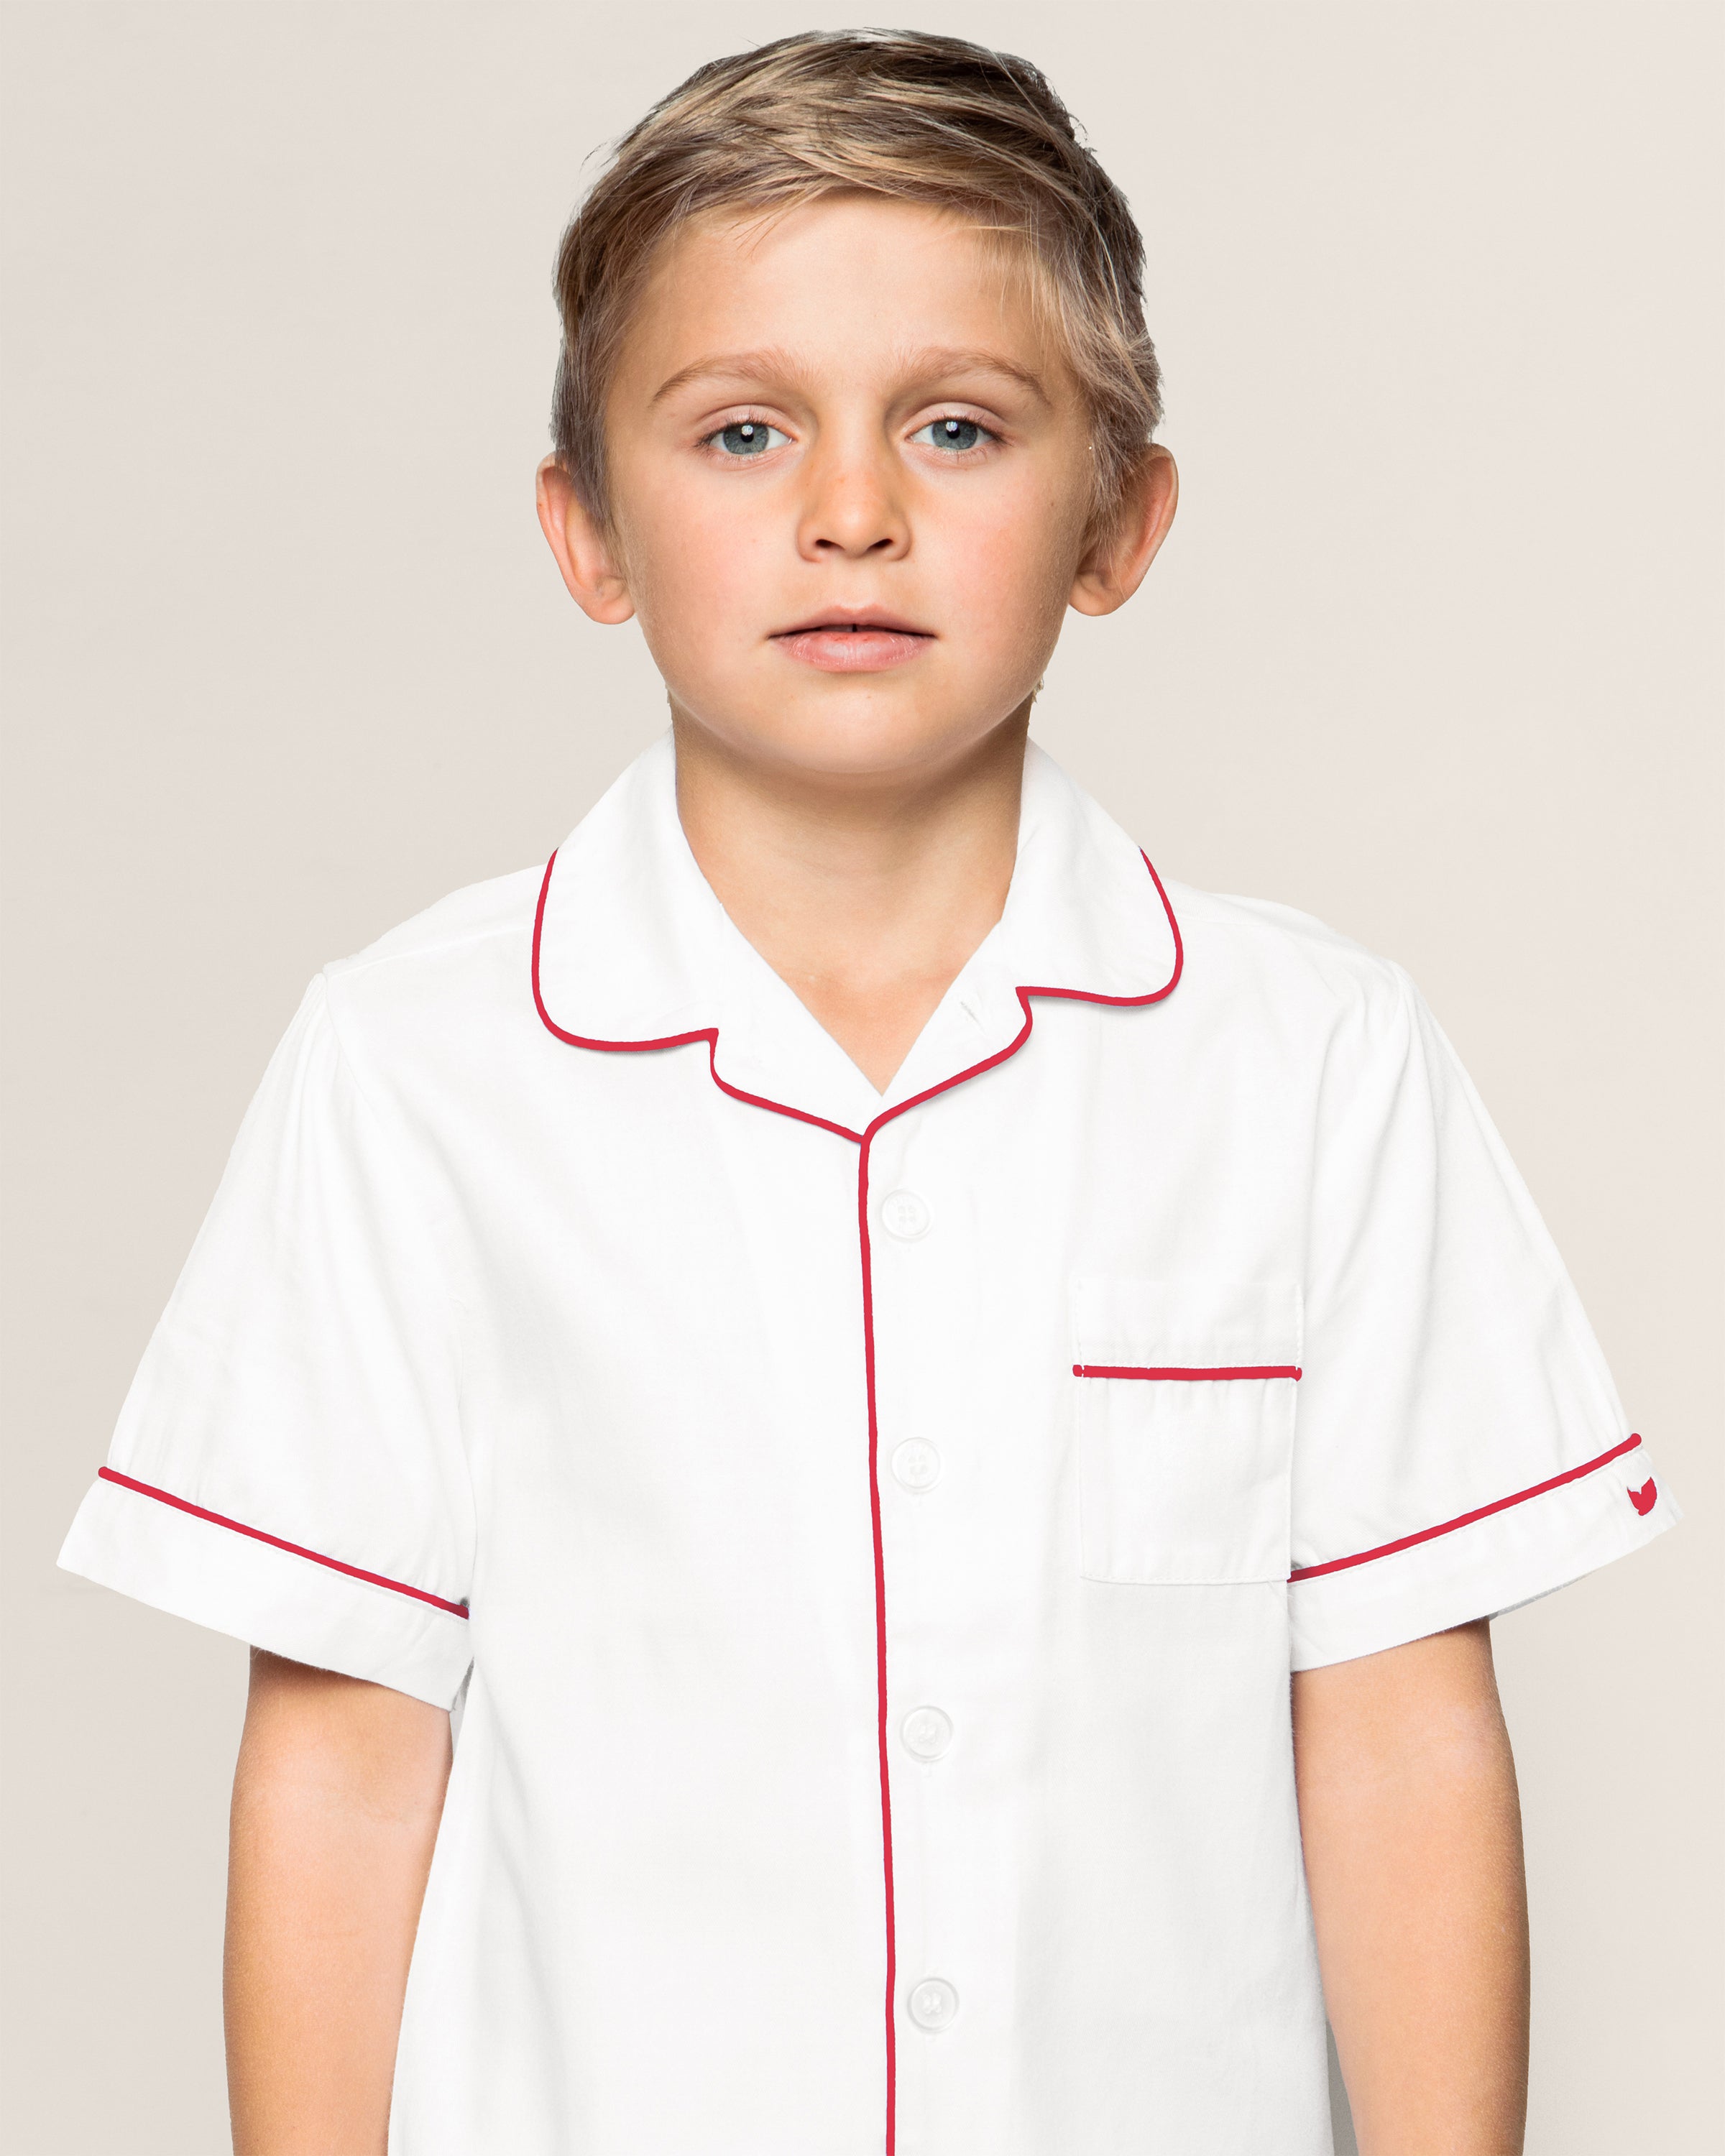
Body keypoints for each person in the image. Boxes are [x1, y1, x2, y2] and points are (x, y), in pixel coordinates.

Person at [58, 29, 1675, 2156]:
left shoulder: (1315, 1066)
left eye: (957, 425)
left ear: (1121, 520)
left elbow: (1391, 1737)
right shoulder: (414, 1069)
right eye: (741, 430)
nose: (850, 513)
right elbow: (346, 1766)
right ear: (587, 531)